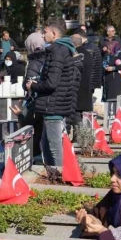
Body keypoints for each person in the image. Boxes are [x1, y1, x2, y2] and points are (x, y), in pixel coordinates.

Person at [26, 20, 82, 166]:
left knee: (54, 147)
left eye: (45, 33)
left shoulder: (57, 51)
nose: (43, 36)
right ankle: (52, 173)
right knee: (45, 144)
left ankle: (60, 176)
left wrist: (34, 85)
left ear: (54, 34)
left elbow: (51, 82)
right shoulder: (62, 49)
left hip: (54, 105)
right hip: (55, 103)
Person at [72, 33, 94, 133]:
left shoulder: (75, 55)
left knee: (76, 113)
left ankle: (78, 136)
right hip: (87, 87)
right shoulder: (88, 54)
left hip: (76, 88)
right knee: (85, 114)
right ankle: (86, 135)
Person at [101, 37, 121, 102]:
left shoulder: (119, 54)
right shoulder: (107, 54)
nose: (107, 49)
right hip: (107, 78)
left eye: (108, 47)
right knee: (108, 97)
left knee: (115, 97)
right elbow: (104, 63)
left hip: (116, 78)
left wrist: (113, 68)